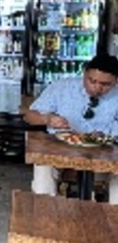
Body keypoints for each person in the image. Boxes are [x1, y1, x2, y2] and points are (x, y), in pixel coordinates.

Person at [24, 54, 118, 202]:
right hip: (61, 148)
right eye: (92, 81)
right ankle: (45, 213)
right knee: (43, 168)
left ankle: (112, 220)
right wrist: (47, 119)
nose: (97, 88)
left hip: (105, 153)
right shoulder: (62, 87)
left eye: (106, 84)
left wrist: (107, 135)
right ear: (84, 73)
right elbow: (29, 116)